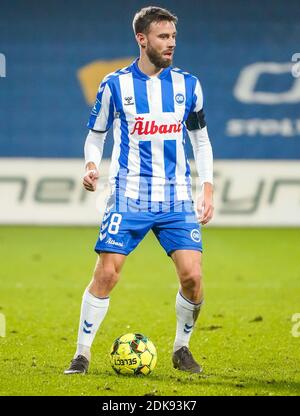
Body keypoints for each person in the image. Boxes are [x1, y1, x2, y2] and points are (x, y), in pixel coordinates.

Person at [64, 6, 213, 375]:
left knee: (193, 277)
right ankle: (82, 354)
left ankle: (182, 348)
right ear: (141, 39)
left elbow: (201, 139)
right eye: (163, 37)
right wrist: (91, 164)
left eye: (174, 37)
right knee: (107, 274)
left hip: (176, 197)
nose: (171, 44)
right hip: (129, 196)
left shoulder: (188, 85)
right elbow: (96, 134)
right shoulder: (115, 85)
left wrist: (207, 187)